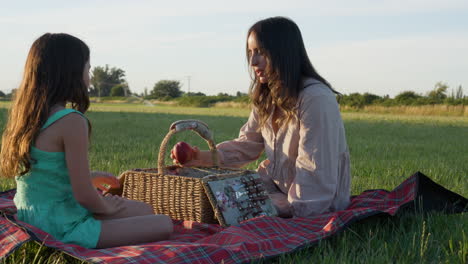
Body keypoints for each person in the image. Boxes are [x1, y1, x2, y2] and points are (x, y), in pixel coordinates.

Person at [0, 33, 173, 248]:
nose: (89, 77)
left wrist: (92, 177)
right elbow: (83, 195)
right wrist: (109, 207)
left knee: (144, 210)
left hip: (33, 217)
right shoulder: (71, 121)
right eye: (88, 68)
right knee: (163, 223)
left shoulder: (25, 116)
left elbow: (45, 176)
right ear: (71, 72)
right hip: (62, 226)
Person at [171, 17, 351, 218]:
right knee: (218, 198)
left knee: (232, 208)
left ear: (284, 52)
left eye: (261, 52)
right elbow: (247, 144)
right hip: (273, 186)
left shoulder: (316, 98)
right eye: (250, 53)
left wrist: (289, 211)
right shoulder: (268, 95)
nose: (253, 61)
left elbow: (314, 168)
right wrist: (200, 157)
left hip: (314, 200)